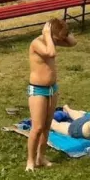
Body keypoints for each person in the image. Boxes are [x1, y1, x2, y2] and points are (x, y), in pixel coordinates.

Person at [26, 18, 73, 171]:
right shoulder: (37, 43)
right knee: (37, 127)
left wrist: (63, 33)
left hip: (52, 89)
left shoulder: (51, 41)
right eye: (57, 39)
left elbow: (73, 42)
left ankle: (41, 156)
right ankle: (30, 161)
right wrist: (47, 34)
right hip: (38, 90)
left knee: (46, 126)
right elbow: (51, 53)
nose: (59, 41)